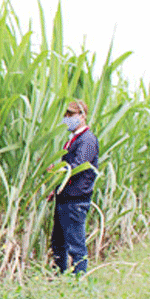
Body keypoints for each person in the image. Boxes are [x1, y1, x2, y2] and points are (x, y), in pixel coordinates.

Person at [47, 99, 99, 275]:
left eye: (71, 114)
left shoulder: (87, 140)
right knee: (59, 242)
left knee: (75, 244)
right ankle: (61, 277)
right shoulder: (74, 139)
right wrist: (55, 188)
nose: (67, 118)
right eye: (66, 114)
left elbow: (76, 167)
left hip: (76, 201)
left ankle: (79, 280)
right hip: (65, 198)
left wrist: (57, 171)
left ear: (82, 116)